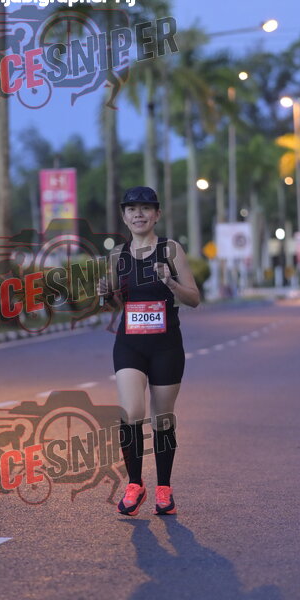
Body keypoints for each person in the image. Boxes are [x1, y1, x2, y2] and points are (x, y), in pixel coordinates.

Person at [97, 187, 200, 515]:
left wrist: (171, 283)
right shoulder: (118, 255)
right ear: (124, 216)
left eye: (145, 208)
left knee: (162, 417)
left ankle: (164, 489)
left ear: (157, 214)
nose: (138, 214)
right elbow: (117, 302)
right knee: (130, 411)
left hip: (166, 345)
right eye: (132, 209)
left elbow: (194, 298)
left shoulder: (170, 249)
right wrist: (106, 294)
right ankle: (135, 484)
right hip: (130, 343)